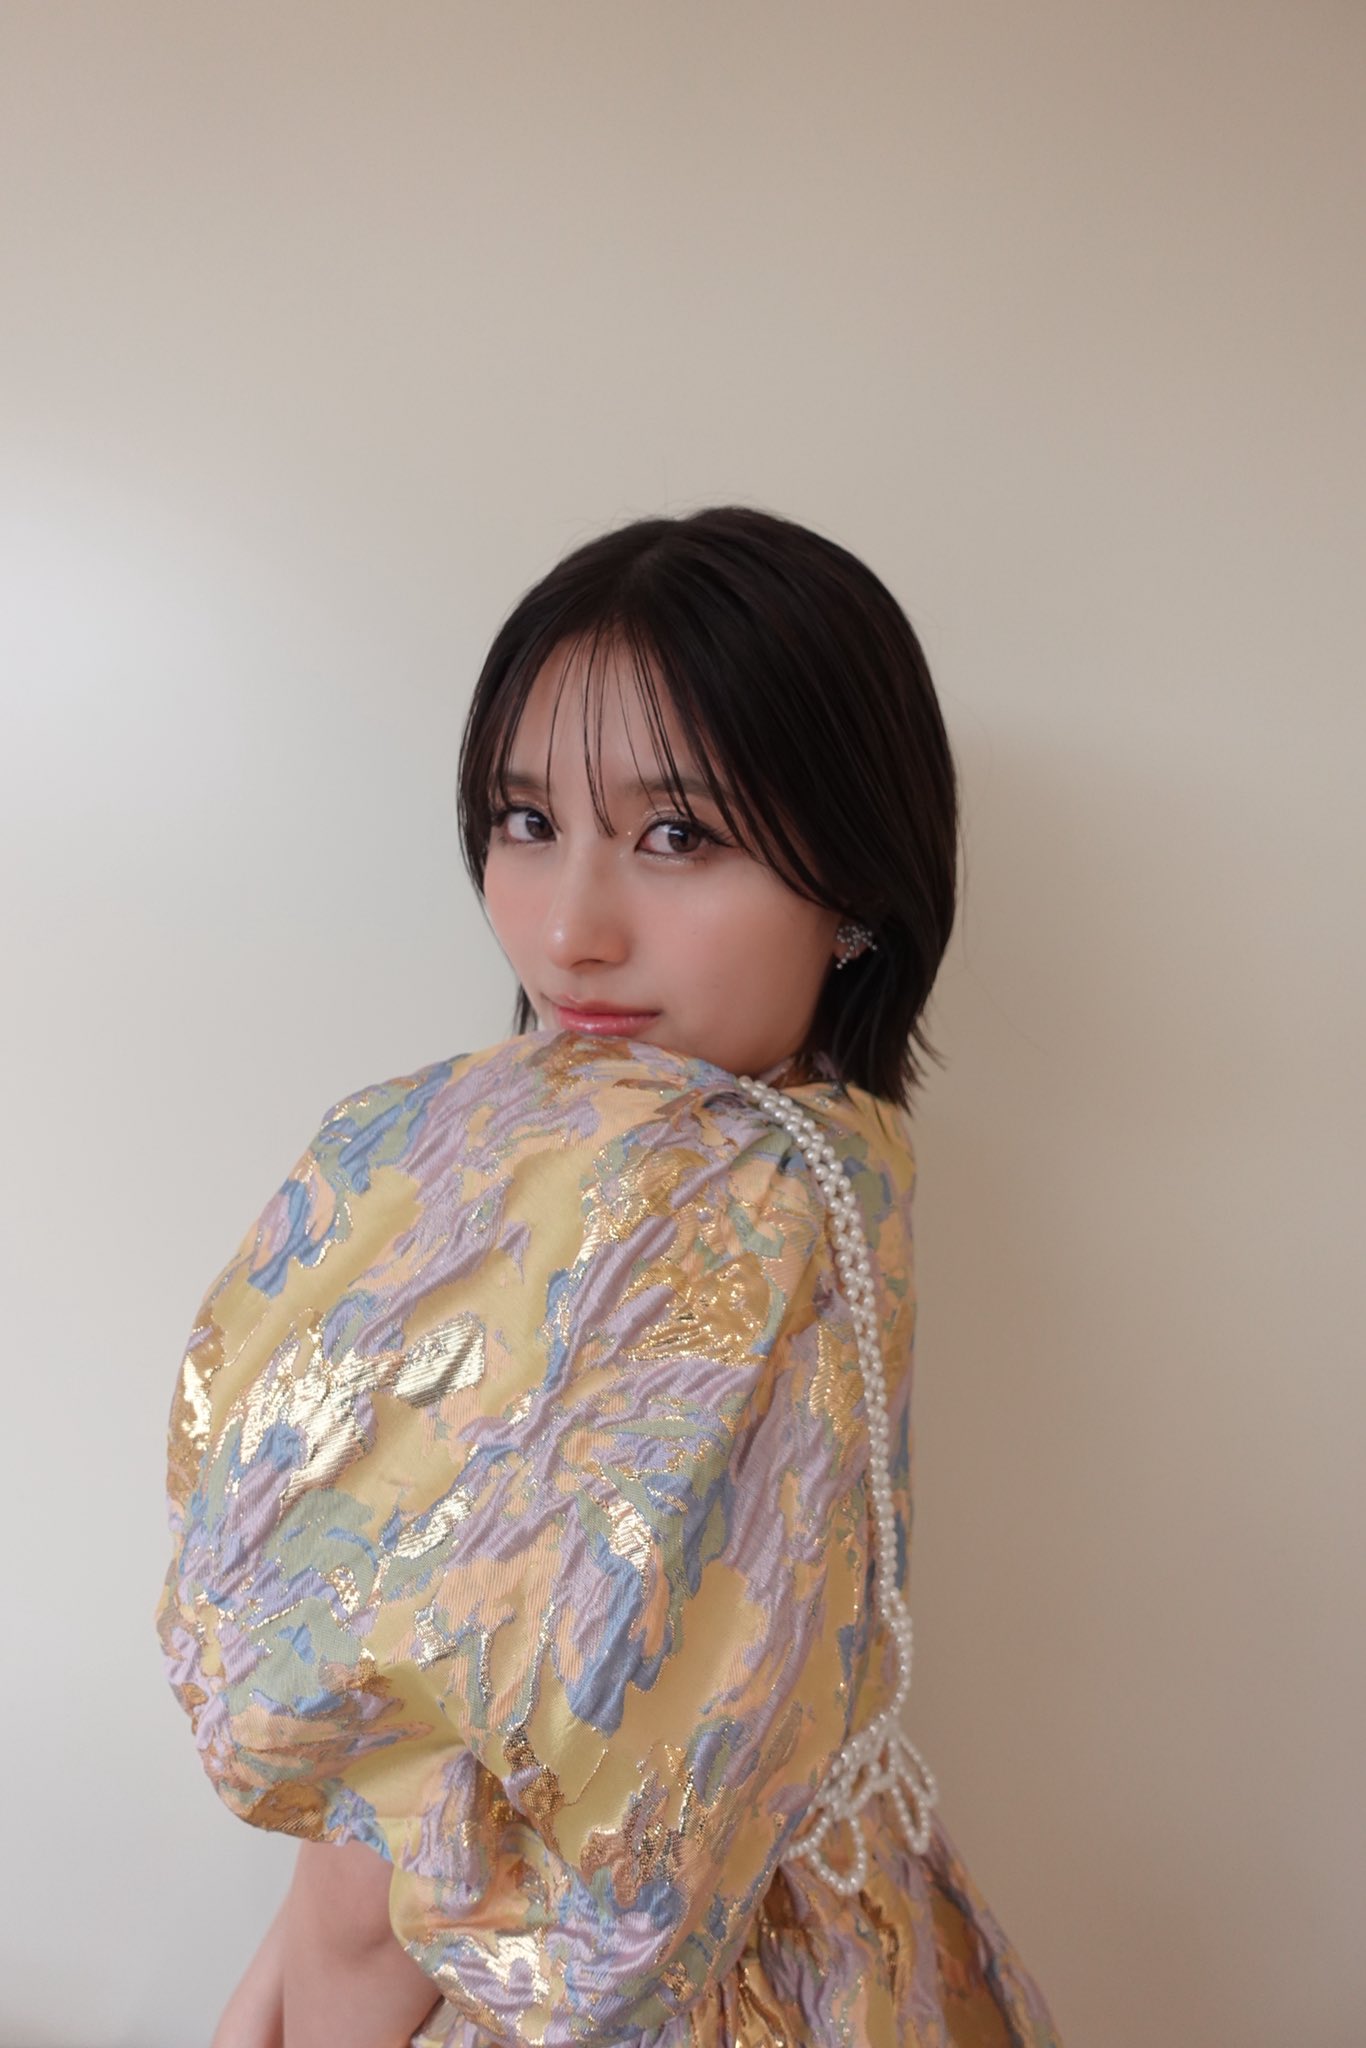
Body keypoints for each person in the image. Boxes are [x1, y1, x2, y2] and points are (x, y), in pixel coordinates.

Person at [156, 506, 1063, 2048]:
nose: (568, 930)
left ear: (855, 880)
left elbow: (397, 1846)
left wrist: (294, 1994)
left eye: (676, 836)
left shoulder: (680, 1190)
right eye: (524, 821)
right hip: (834, 1946)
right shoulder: (831, 1147)